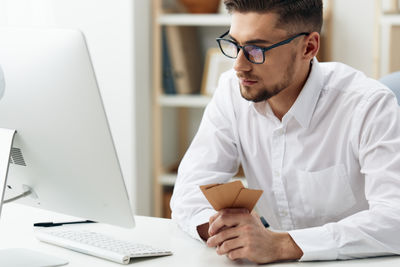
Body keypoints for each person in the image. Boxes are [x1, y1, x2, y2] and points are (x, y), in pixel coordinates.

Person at [170, 0, 400, 264]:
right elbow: (189, 192)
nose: (239, 66)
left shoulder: (368, 105)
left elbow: (396, 219)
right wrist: (220, 229)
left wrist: (282, 245)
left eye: (257, 49)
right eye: (235, 45)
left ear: (309, 47)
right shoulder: (231, 93)